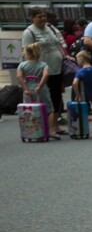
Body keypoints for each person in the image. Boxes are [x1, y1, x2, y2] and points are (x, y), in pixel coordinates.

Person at [21, 7, 66, 137]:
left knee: (56, 96)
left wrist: (64, 56)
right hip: (41, 71)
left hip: (56, 67)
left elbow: (58, 44)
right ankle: (46, 127)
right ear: (32, 18)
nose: (43, 19)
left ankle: (56, 125)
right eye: (39, 17)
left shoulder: (50, 28)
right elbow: (27, 53)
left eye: (44, 16)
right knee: (45, 97)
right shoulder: (29, 32)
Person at [17, 43, 56, 138]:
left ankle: (31, 131)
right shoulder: (43, 65)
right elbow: (46, 75)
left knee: (29, 110)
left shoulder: (22, 65)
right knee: (49, 110)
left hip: (28, 88)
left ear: (27, 54)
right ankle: (51, 131)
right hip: (41, 89)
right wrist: (40, 86)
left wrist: (25, 88)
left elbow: (19, 76)